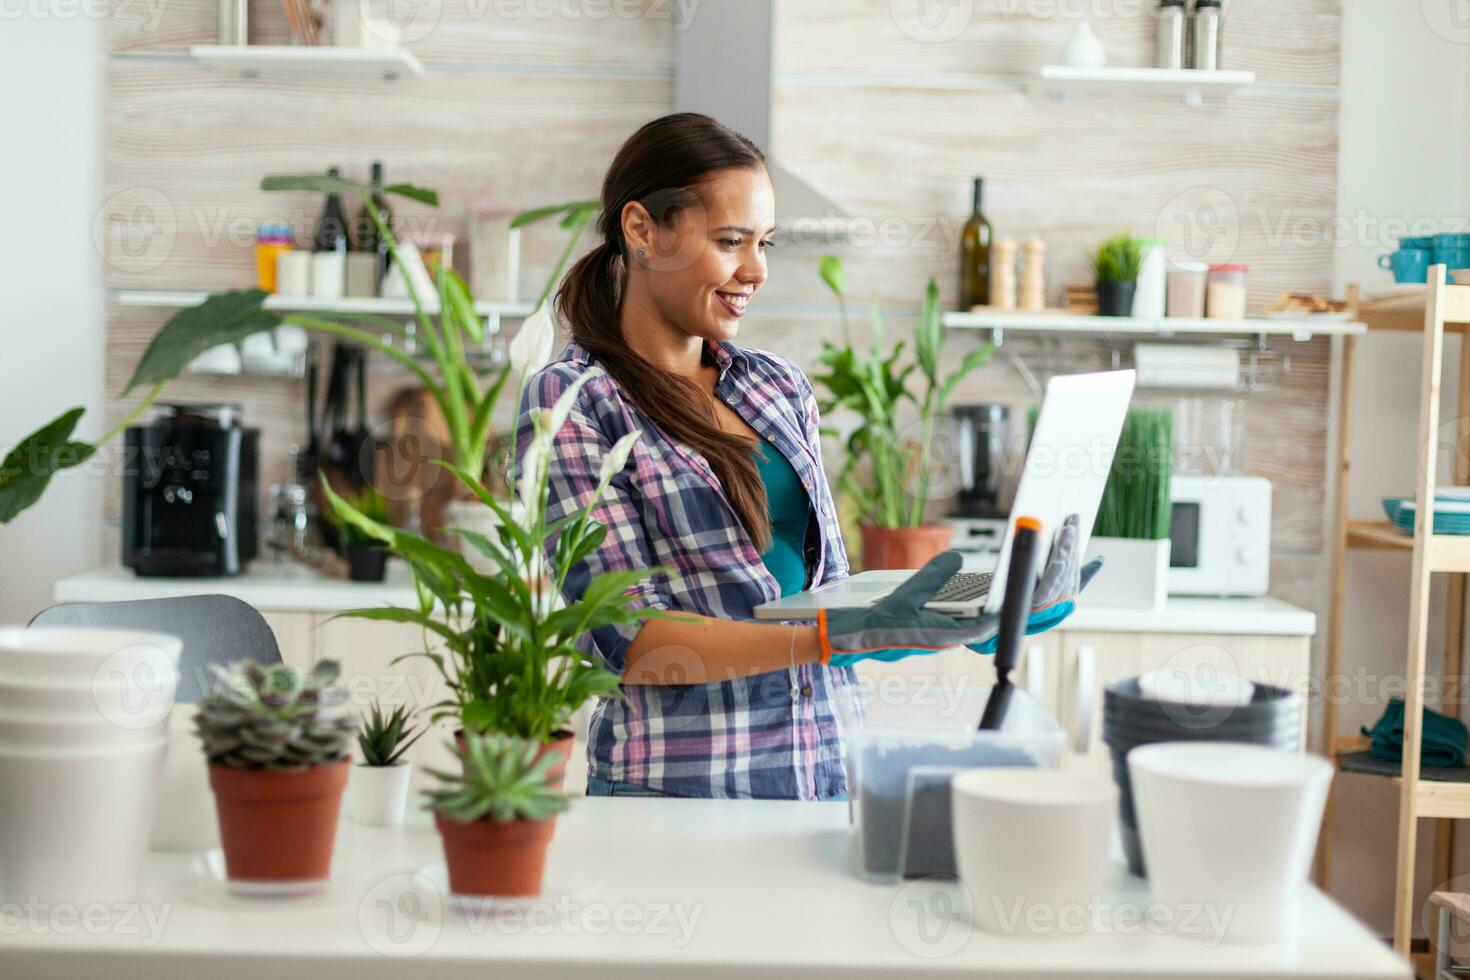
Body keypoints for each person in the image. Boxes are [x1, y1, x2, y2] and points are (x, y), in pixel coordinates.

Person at [513, 113, 1080, 801]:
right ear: (642, 230)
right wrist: (833, 637)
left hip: (828, 773)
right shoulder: (573, 399)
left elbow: (827, 589)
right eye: (731, 242)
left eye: (764, 242)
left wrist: (982, 599)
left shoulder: (775, 386)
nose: (756, 269)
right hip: (680, 792)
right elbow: (632, 641)